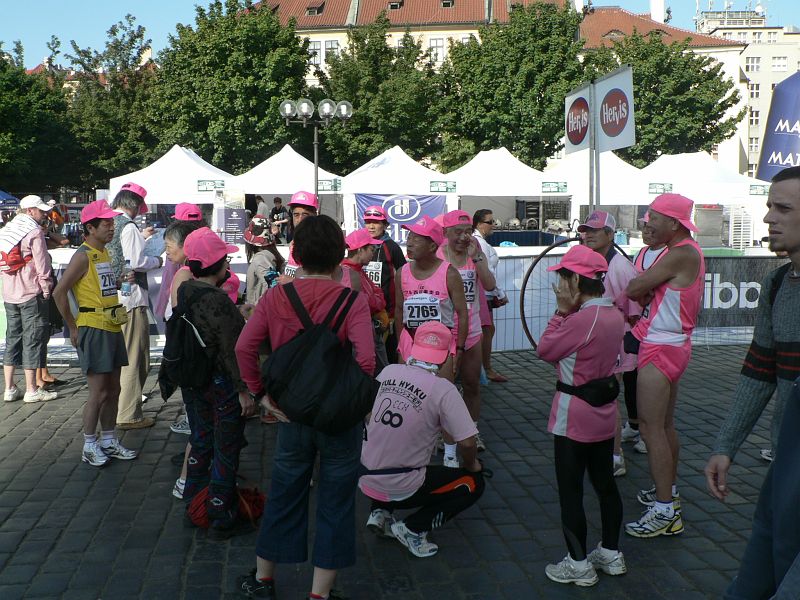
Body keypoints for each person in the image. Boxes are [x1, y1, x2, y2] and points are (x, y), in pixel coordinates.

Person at [235, 215, 374, 600]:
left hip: (291, 413)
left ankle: (263, 580)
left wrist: (261, 395)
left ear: (294, 254)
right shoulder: (353, 301)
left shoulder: (277, 296)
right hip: (339, 419)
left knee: (284, 492)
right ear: (340, 256)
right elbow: (365, 363)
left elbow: (244, 348)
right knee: (337, 502)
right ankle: (319, 594)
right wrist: (354, 404)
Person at [703, 166, 800, 598]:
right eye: (769, 207)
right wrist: (726, 445)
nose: (768, 219)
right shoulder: (777, 283)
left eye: (782, 209)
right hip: (785, 470)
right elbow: (759, 374)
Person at [537, 245, 626, 587]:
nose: (559, 286)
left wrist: (560, 313)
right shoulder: (614, 313)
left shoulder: (581, 319)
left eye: (562, 278)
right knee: (605, 486)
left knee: (570, 492)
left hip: (573, 415)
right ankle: (611, 553)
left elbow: (545, 350)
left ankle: (578, 564)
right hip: (604, 414)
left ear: (575, 279)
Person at [360, 321, 484, 558]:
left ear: (413, 349)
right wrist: (473, 466)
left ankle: (380, 512)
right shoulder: (444, 389)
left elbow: (367, 415)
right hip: (402, 485)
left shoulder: (387, 373)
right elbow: (468, 443)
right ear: (447, 356)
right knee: (474, 483)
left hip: (364, 476)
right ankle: (413, 529)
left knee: (392, 447)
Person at [623, 193, 705, 538]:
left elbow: (634, 288)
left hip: (660, 347)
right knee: (666, 427)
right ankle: (667, 493)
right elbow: (644, 291)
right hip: (674, 346)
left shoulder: (680, 253)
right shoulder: (686, 251)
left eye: (654, 217)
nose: (647, 222)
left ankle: (665, 510)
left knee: (650, 430)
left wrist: (644, 289)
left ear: (674, 222)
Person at [52, 200, 137, 467]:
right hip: (94, 328)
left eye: (112, 222)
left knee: (114, 389)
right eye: (106, 224)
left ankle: (109, 440)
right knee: (99, 392)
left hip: (111, 325)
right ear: (90, 228)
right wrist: (74, 326)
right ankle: (90, 444)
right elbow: (59, 292)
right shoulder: (83, 255)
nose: (112, 227)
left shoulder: (103, 253)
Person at [578, 210, 641, 478]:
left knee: (607, 398)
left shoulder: (620, 267)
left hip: (615, 340)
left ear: (610, 234)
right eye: (585, 230)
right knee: (596, 395)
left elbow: (636, 311)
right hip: (595, 338)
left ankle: (615, 456)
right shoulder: (592, 260)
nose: (588, 234)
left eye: (594, 230)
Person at [439, 210, 496, 455]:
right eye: (457, 232)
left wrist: (478, 258)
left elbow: (490, 285)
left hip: (470, 329)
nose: (463, 237)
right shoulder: (438, 253)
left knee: (472, 384)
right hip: (443, 330)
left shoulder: (475, 252)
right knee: (443, 388)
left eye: (467, 232)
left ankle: (472, 432)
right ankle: (443, 435)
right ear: (446, 233)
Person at [107, 183, 163, 429]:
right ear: (135, 204)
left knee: (121, 357)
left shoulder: (108, 223)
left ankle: (120, 408)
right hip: (130, 301)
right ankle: (128, 414)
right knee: (135, 357)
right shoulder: (128, 226)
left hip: (112, 298)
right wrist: (157, 259)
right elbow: (136, 262)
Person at [1, 195, 58, 403]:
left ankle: (9, 388)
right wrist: (46, 288)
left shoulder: (6, 230)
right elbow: (43, 265)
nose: (44, 214)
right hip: (31, 292)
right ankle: (32, 389)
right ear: (30, 211)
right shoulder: (33, 231)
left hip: (9, 293)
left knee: (12, 339)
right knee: (32, 340)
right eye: (40, 211)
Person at [628, 212, 668, 455]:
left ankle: (650, 432)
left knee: (654, 388)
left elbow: (643, 288)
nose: (646, 231)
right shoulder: (641, 253)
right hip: (639, 326)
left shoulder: (670, 255)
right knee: (632, 380)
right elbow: (635, 287)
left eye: (652, 227)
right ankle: (636, 425)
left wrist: (642, 290)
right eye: (644, 226)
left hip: (658, 332)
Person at [363, 205, 407, 363]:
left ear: (386, 225)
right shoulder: (361, 245)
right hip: (365, 309)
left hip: (387, 311)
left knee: (387, 353)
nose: (371, 226)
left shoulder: (392, 247)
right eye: (368, 222)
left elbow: (404, 274)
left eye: (376, 222)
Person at [342, 228, 388, 372]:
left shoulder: (358, 270)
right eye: (371, 248)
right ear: (361, 250)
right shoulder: (347, 272)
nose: (373, 252)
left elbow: (378, 296)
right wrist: (376, 301)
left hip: (368, 331)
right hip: (359, 336)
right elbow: (369, 302)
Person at [472, 209, 509, 383]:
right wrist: (498, 293)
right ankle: (485, 369)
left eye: (493, 221)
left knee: (486, 331)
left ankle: (482, 368)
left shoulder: (480, 243)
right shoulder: (480, 244)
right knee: (486, 331)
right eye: (490, 221)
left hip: (483, 293)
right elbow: (485, 272)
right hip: (482, 294)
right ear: (479, 224)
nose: (493, 224)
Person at [155, 202, 205, 322]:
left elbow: (169, 280)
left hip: (177, 311)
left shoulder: (176, 248)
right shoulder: (206, 241)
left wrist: (163, 309)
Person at [244, 216, 285, 305]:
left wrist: (258, 309)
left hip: (260, 313)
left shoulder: (261, 258)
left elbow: (272, 286)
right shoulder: (270, 253)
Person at [281, 191, 319, 279]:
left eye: (305, 214)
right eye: (296, 215)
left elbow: (320, 282)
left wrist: (292, 282)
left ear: (315, 215)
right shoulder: (294, 243)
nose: (300, 219)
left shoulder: (319, 244)